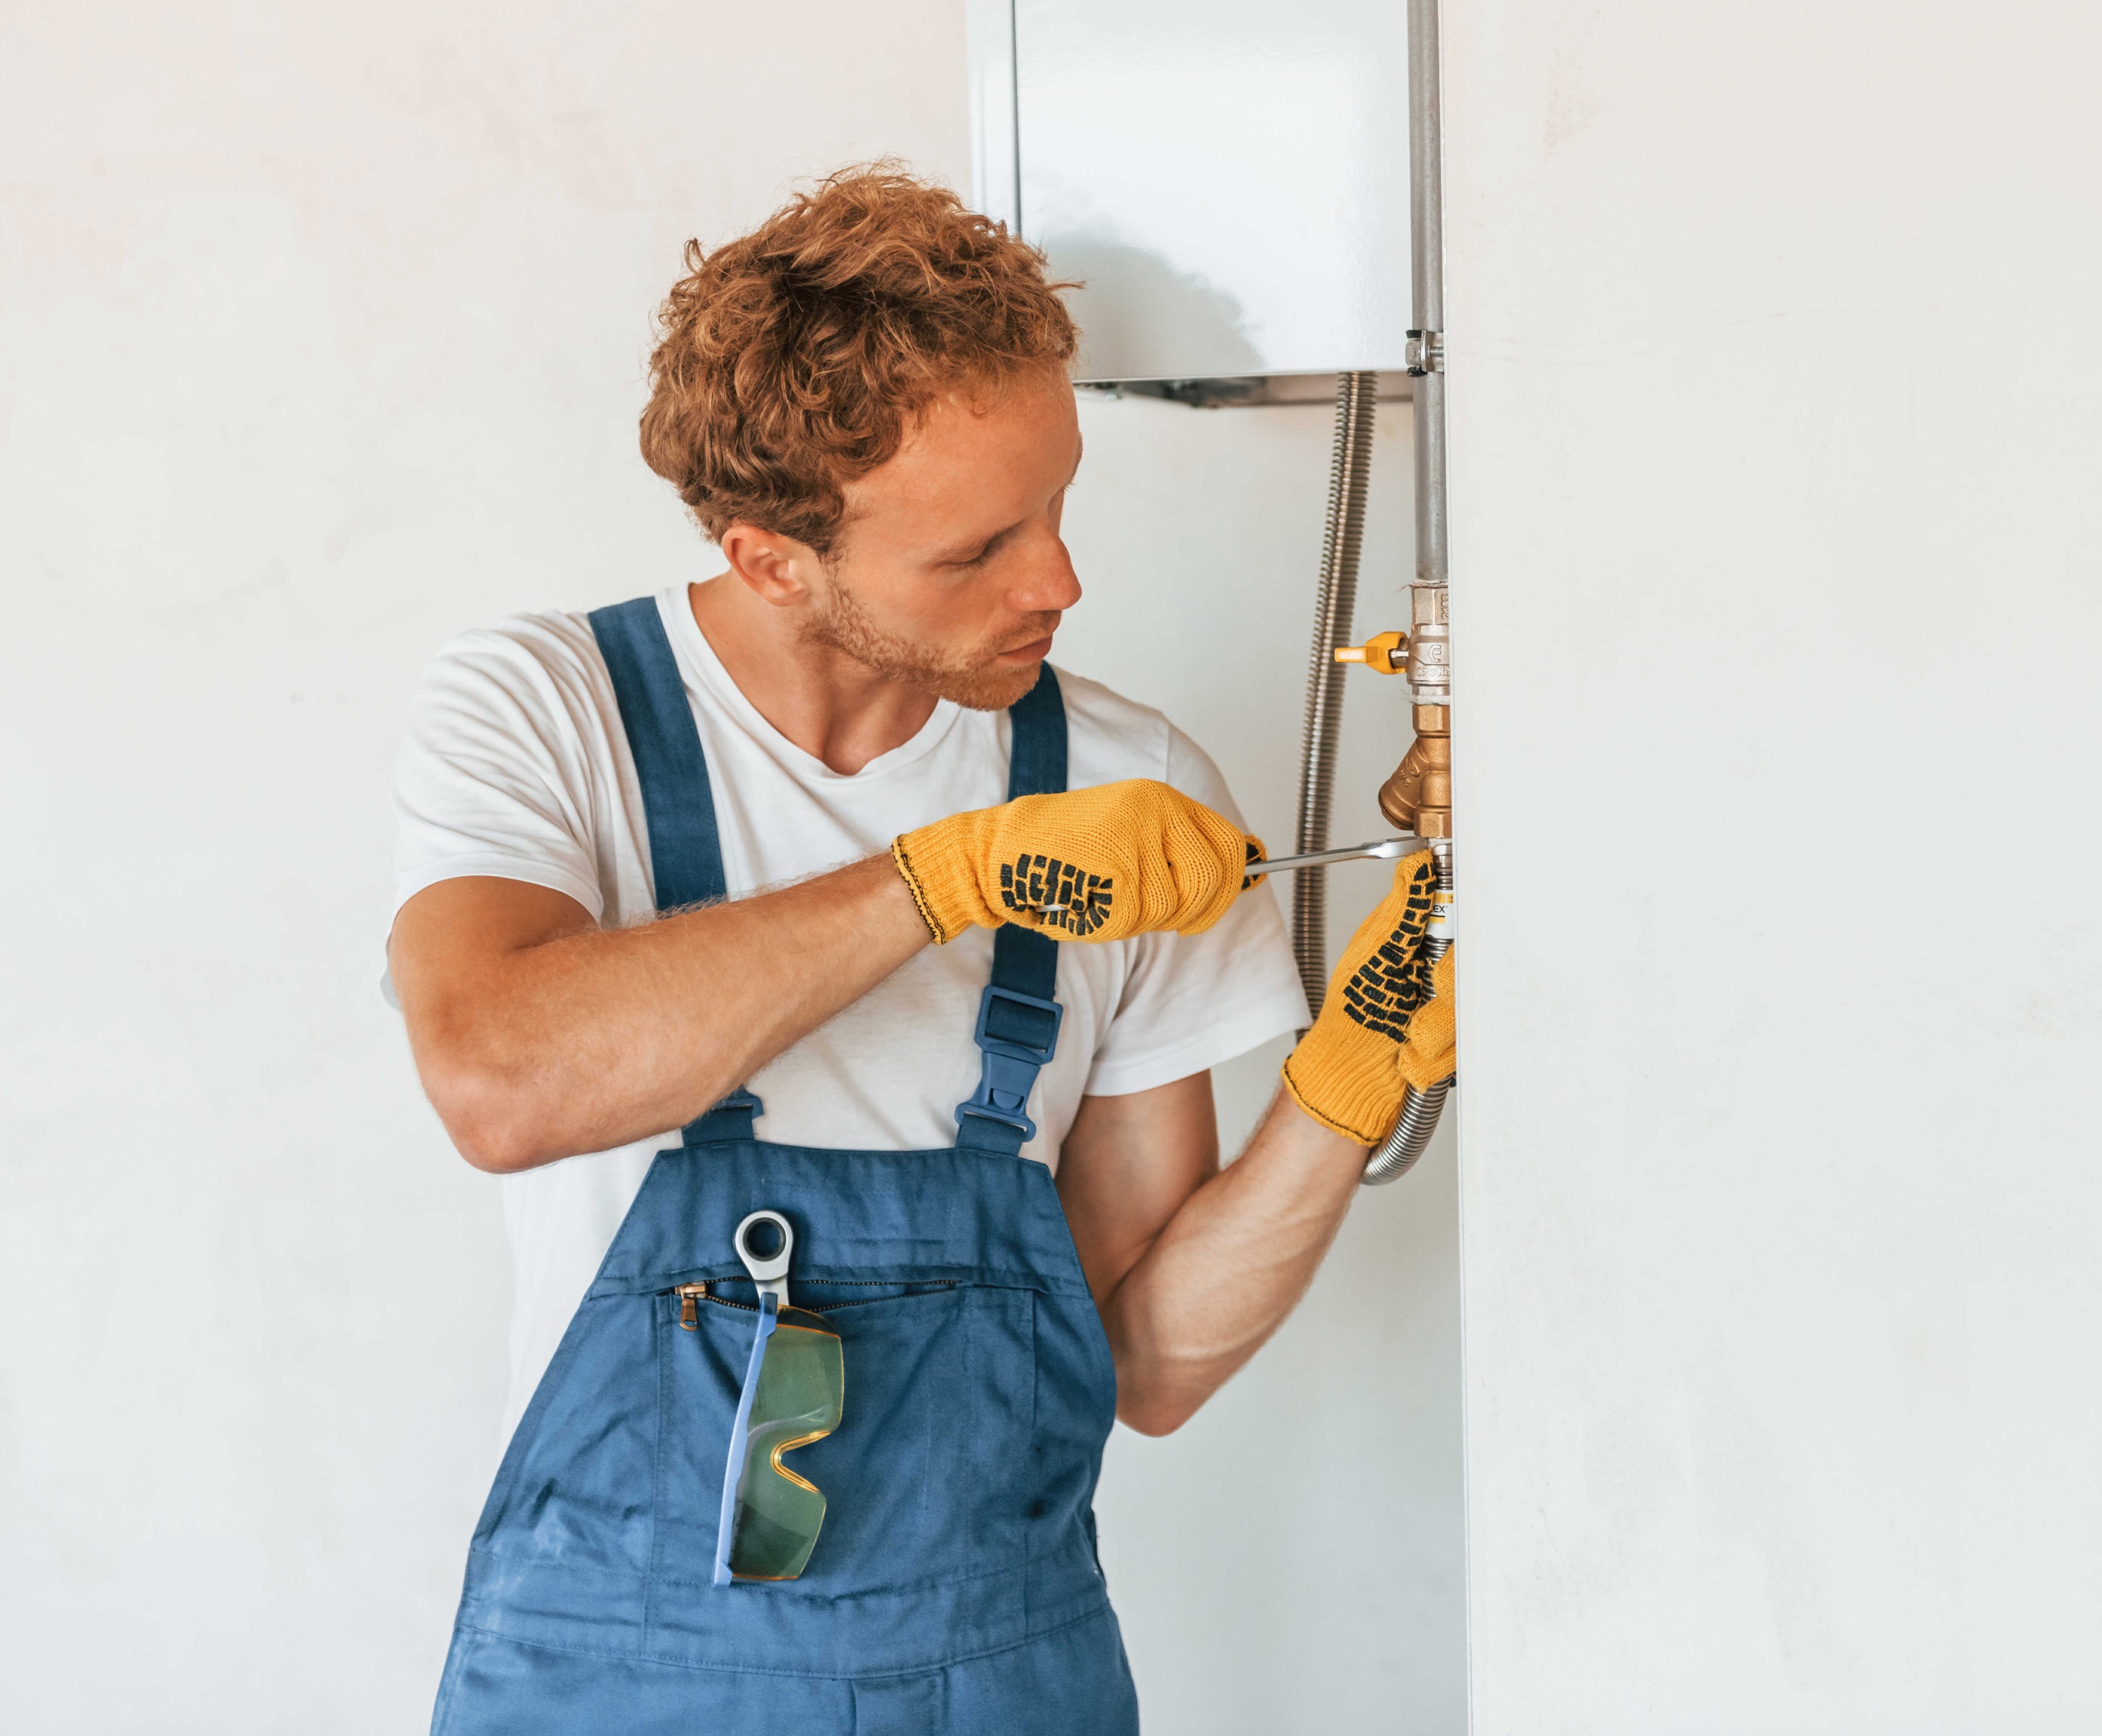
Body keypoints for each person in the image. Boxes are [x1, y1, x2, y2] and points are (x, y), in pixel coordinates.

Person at [388, 165, 1455, 1733]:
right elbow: (500, 1074)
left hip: (1004, 1681)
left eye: (1059, 503)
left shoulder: (1120, 785)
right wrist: (942, 878)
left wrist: (1346, 1080)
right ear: (772, 559)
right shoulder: (548, 711)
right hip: (616, 1685)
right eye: (974, 552)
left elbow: (1146, 1355)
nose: (1060, 582)